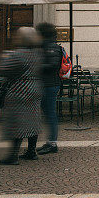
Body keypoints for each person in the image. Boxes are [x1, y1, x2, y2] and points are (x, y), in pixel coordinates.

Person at [0, 27, 43, 165]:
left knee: (17, 122)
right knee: (33, 120)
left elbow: (3, 69)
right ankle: (31, 151)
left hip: (20, 91)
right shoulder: (38, 54)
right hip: (35, 89)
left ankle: (13, 156)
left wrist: (4, 57)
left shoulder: (18, 54)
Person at [35, 22, 63, 155]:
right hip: (46, 84)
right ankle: (50, 142)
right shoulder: (46, 46)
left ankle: (52, 143)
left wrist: (36, 65)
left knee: (50, 113)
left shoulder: (51, 47)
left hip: (50, 84)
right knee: (47, 113)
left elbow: (52, 65)